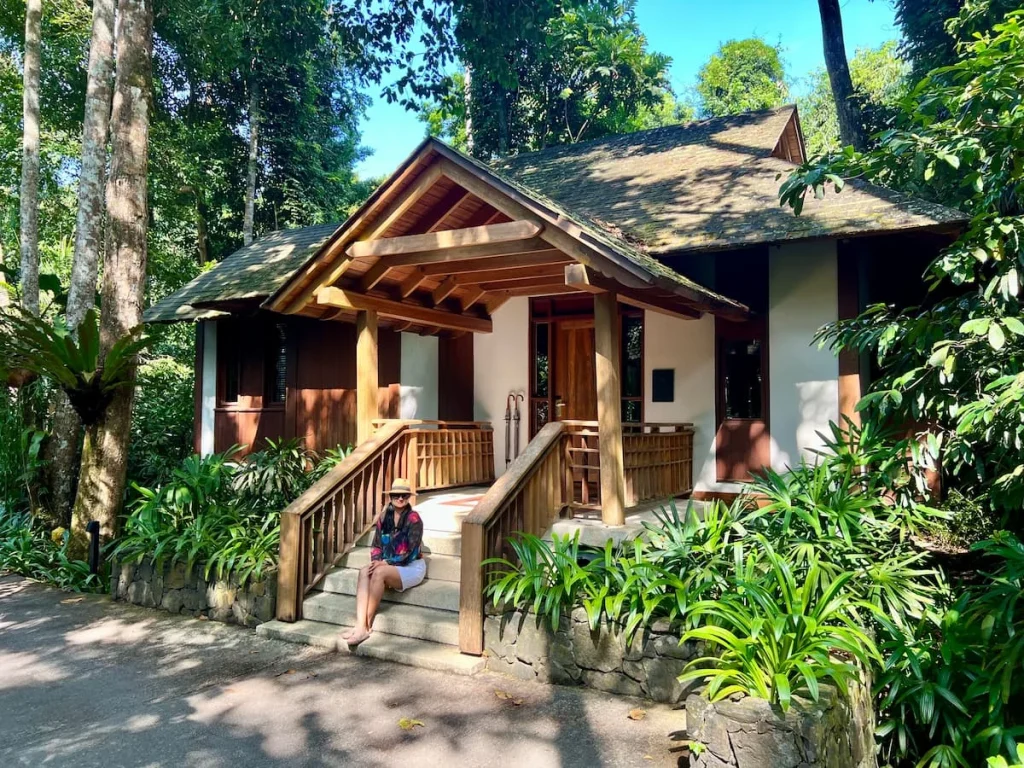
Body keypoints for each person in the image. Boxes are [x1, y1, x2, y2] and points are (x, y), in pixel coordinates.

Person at [342, 479, 425, 647]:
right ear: (391, 496)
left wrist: (386, 563)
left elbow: (411, 551)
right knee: (365, 571)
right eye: (396, 495)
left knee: (379, 572)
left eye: (404, 495)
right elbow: (376, 545)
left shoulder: (414, 519)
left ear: (409, 497)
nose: (400, 498)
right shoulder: (384, 517)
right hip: (388, 564)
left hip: (411, 566)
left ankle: (365, 626)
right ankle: (360, 625)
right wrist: (376, 561)